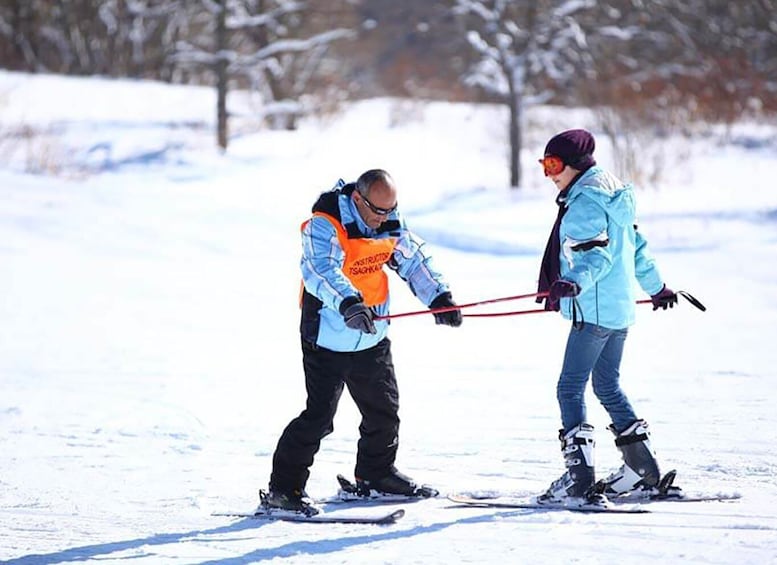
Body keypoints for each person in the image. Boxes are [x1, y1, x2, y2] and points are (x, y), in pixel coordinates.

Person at [263, 169, 463, 515]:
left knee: (384, 411)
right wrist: (348, 303)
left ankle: (376, 475)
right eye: (377, 211)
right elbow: (321, 270)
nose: (382, 219)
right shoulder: (325, 223)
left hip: (372, 334)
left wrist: (439, 298)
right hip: (327, 333)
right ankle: (284, 490)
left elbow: (413, 261)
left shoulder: (389, 221)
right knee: (319, 417)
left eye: (390, 210)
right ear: (358, 199)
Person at [535, 129, 678, 504]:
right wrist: (656, 288)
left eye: (554, 164)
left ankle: (579, 480)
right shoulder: (614, 194)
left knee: (569, 388)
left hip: (594, 311)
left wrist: (572, 282)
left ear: (576, 165)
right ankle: (643, 469)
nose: (549, 174)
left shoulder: (584, 202)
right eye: (544, 165)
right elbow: (636, 250)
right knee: (607, 386)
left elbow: (595, 257)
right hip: (618, 311)